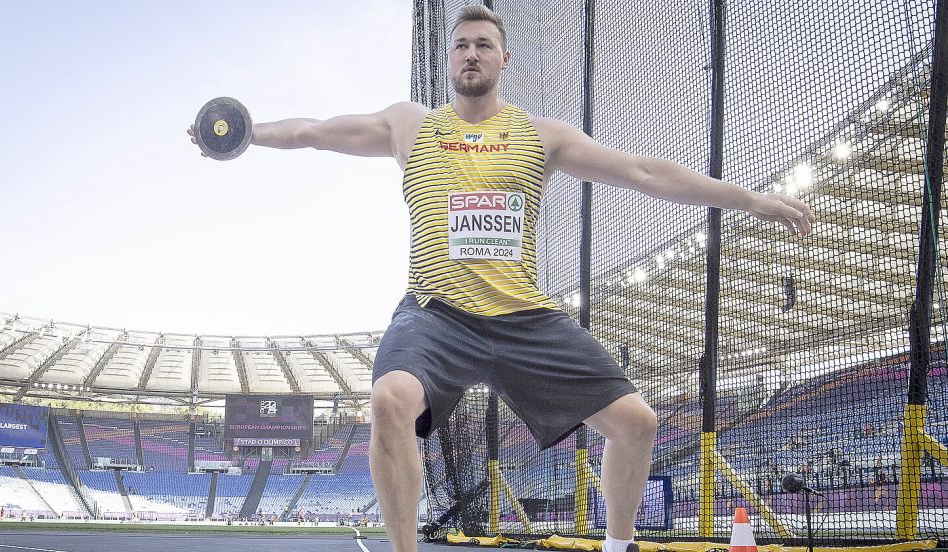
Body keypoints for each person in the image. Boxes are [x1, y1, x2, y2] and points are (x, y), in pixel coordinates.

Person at [187, 7, 813, 551]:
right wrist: (245, 135)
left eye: (483, 44)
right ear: (448, 61)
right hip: (437, 313)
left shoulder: (541, 136)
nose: (470, 53)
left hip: (524, 318)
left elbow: (646, 173)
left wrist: (750, 201)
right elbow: (315, 133)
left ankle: (618, 545)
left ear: (503, 59)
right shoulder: (411, 126)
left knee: (638, 424)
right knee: (388, 401)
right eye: (460, 44)